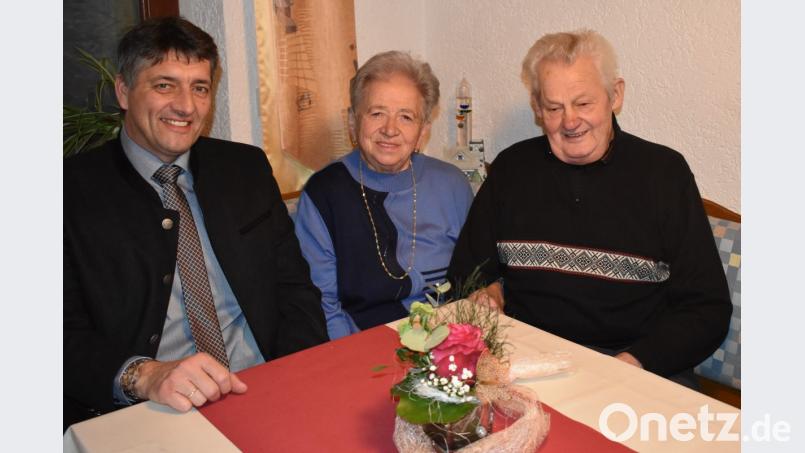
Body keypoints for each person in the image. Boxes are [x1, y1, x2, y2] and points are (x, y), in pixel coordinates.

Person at [63, 17, 327, 430]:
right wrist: (144, 375)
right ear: (123, 92)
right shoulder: (69, 193)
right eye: (164, 85)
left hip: (263, 388)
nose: (186, 106)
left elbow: (294, 289)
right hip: (149, 412)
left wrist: (296, 379)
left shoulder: (245, 168)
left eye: (199, 87)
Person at [447, 30, 732, 387]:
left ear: (616, 95)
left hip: (636, 366)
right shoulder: (511, 170)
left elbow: (708, 309)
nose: (570, 121)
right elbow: (464, 272)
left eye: (583, 104)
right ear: (537, 108)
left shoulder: (664, 174)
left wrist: (634, 362)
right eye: (554, 108)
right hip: (528, 363)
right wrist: (484, 292)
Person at [294, 51, 474, 340]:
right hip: (362, 349)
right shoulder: (324, 193)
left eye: (406, 117)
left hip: (449, 347)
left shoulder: (453, 185)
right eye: (377, 113)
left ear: (423, 130)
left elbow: (478, 282)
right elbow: (323, 306)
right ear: (353, 121)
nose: (390, 129)